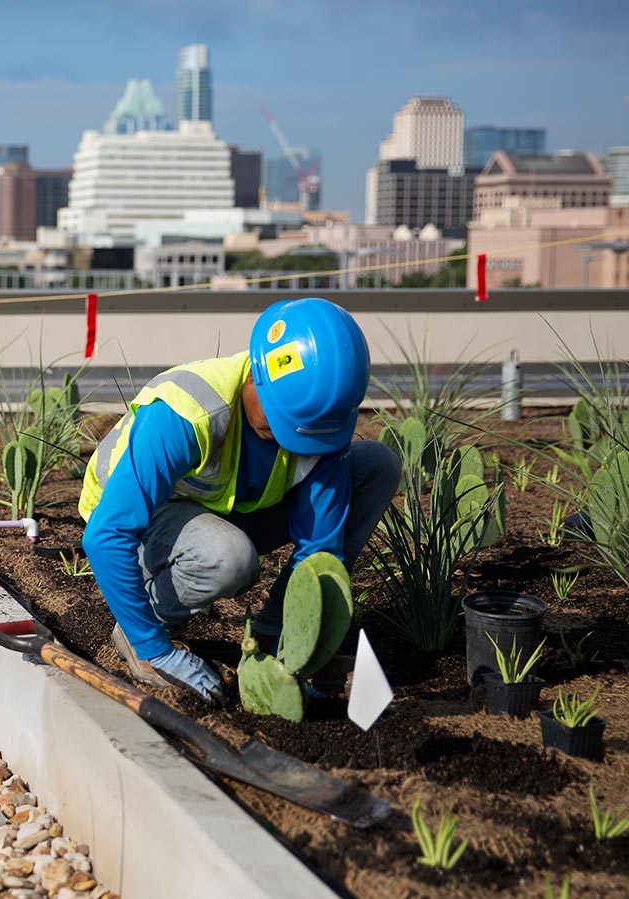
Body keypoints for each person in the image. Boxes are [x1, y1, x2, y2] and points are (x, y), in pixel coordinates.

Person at [79, 297, 401, 706]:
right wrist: (153, 648)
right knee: (228, 556)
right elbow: (106, 535)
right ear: (257, 376)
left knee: (376, 465)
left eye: (309, 433)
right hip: (143, 523)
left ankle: (274, 631)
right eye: (283, 423)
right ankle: (142, 628)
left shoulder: (320, 424)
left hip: (229, 510)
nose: (296, 442)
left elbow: (321, 548)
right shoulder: (187, 413)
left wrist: (302, 643)